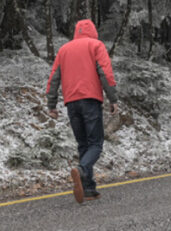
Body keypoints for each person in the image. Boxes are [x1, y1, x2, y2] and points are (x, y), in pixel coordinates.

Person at [45, 18, 120, 203]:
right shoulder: (96, 45)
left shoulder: (64, 50)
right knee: (96, 144)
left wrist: (51, 104)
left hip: (71, 102)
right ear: (93, 31)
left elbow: (54, 78)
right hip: (90, 99)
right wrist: (113, 99)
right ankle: (81, 170)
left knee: (83, 144)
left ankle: (88, 188)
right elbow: (105, 72)